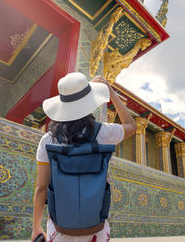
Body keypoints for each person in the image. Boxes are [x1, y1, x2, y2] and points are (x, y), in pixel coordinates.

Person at [32, 72, 136, 242]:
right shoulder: (104, 132)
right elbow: (131, 125)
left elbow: (41, 188)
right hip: (96, 228)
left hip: (59, 229)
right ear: (90, 102)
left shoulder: (48, 140)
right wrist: (111, 92)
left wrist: (36, 227)